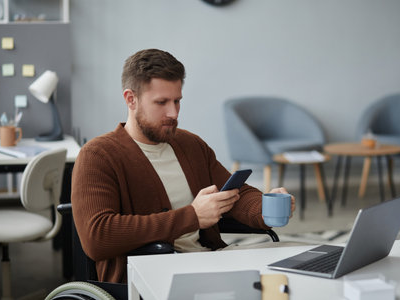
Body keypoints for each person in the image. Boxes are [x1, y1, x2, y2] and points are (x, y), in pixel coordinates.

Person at [71, 48, 296, 283]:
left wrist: (265, 208)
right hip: (150, 277)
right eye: (161, 102)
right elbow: (97, 237)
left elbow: (233, 193)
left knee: (295, 274)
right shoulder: (98, 156)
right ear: (131, 99)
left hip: (209, 262)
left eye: (177, 101)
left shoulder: (190, 144)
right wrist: (192, 217)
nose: (173, 113)